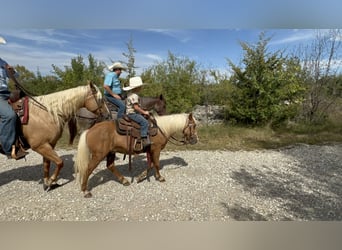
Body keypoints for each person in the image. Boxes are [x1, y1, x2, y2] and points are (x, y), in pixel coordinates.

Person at [0, 36, 28, 160]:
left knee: (28, 103)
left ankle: (28, 138)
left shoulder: (2, 62)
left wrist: (12, 70)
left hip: (5, 92)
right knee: (9, 115)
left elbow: (16, 75)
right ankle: (7, 148)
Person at [123, 76, 152, 148]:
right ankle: (144, 139)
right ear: (136, 87)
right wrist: (144, 112)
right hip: (132, 114)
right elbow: (136, 107)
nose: (141, 88)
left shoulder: (129, 94)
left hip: (129, 113)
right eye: (140, 87)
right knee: (144, 122)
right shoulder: (134, 95)